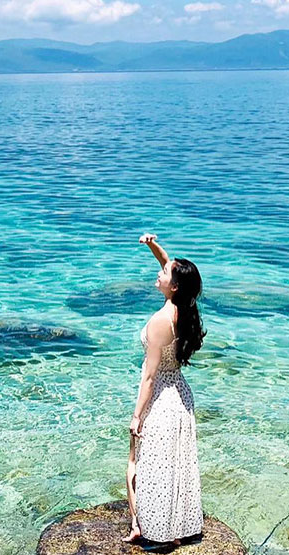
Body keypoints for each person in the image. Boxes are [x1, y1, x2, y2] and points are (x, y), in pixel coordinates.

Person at [124, 233, 205, 547]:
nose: (160, 271)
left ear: (173, 286)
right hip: (180, 394)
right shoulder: (183, 309)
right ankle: (176, 526)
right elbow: (169, 266)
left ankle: (143, 527)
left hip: (161, 397)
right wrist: (153, 247)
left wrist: (136, 415)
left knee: (139, 465)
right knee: (174, 466)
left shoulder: (160, 320)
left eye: (164, 273)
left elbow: (149, 375)